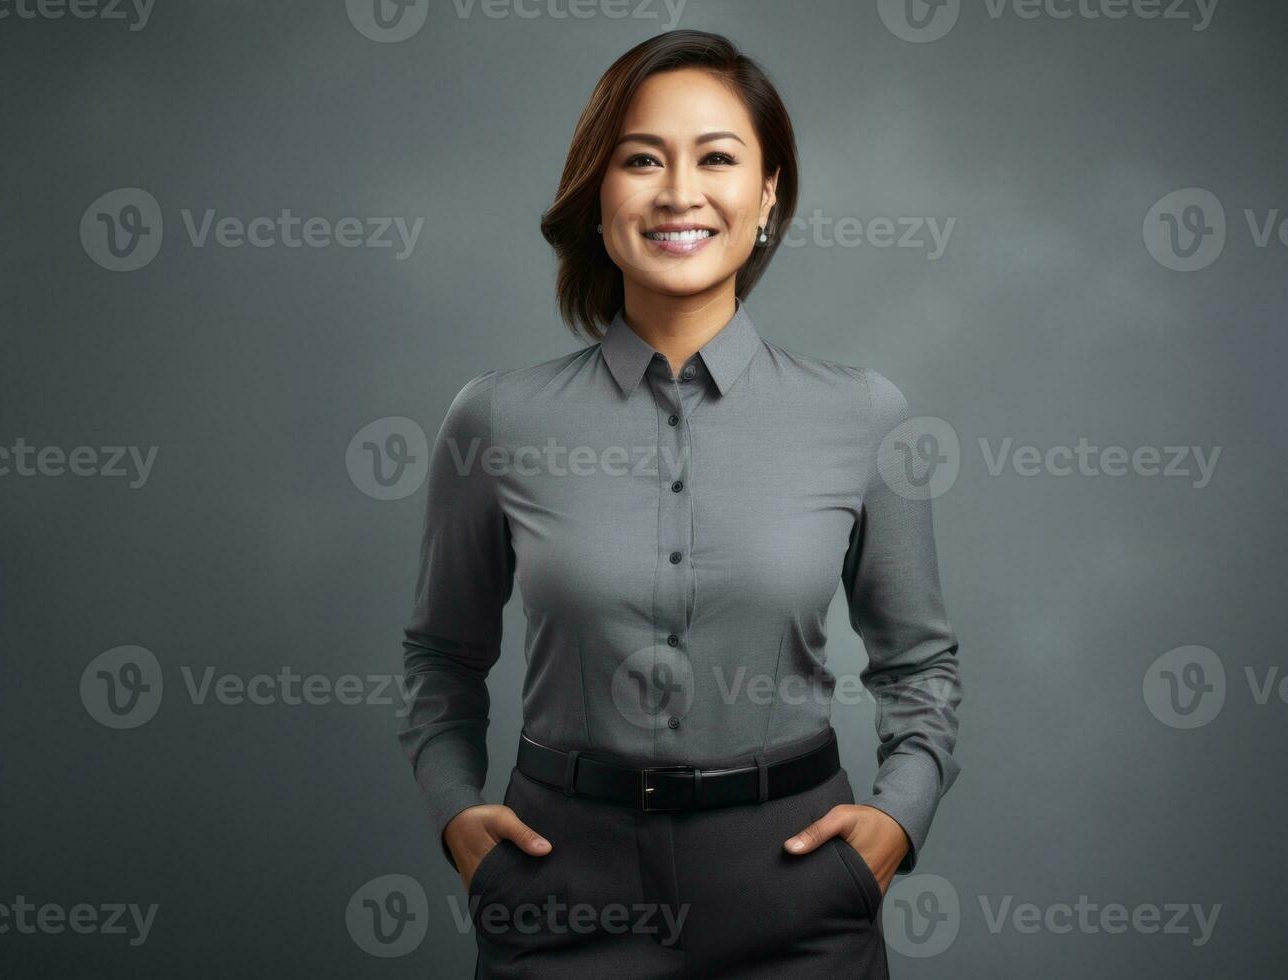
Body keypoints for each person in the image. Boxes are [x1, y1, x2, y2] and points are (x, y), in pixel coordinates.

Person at [396, 29, 963, 978]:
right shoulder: (493, 417)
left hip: (797, 894)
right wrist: (456, 817)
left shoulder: (866, 417)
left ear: (769, 190)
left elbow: (922, 667)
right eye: (640, 159)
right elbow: (440, 656)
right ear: (599, 190)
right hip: (557, 889)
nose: (677, 192)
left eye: (717, 157)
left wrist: (893, 827)